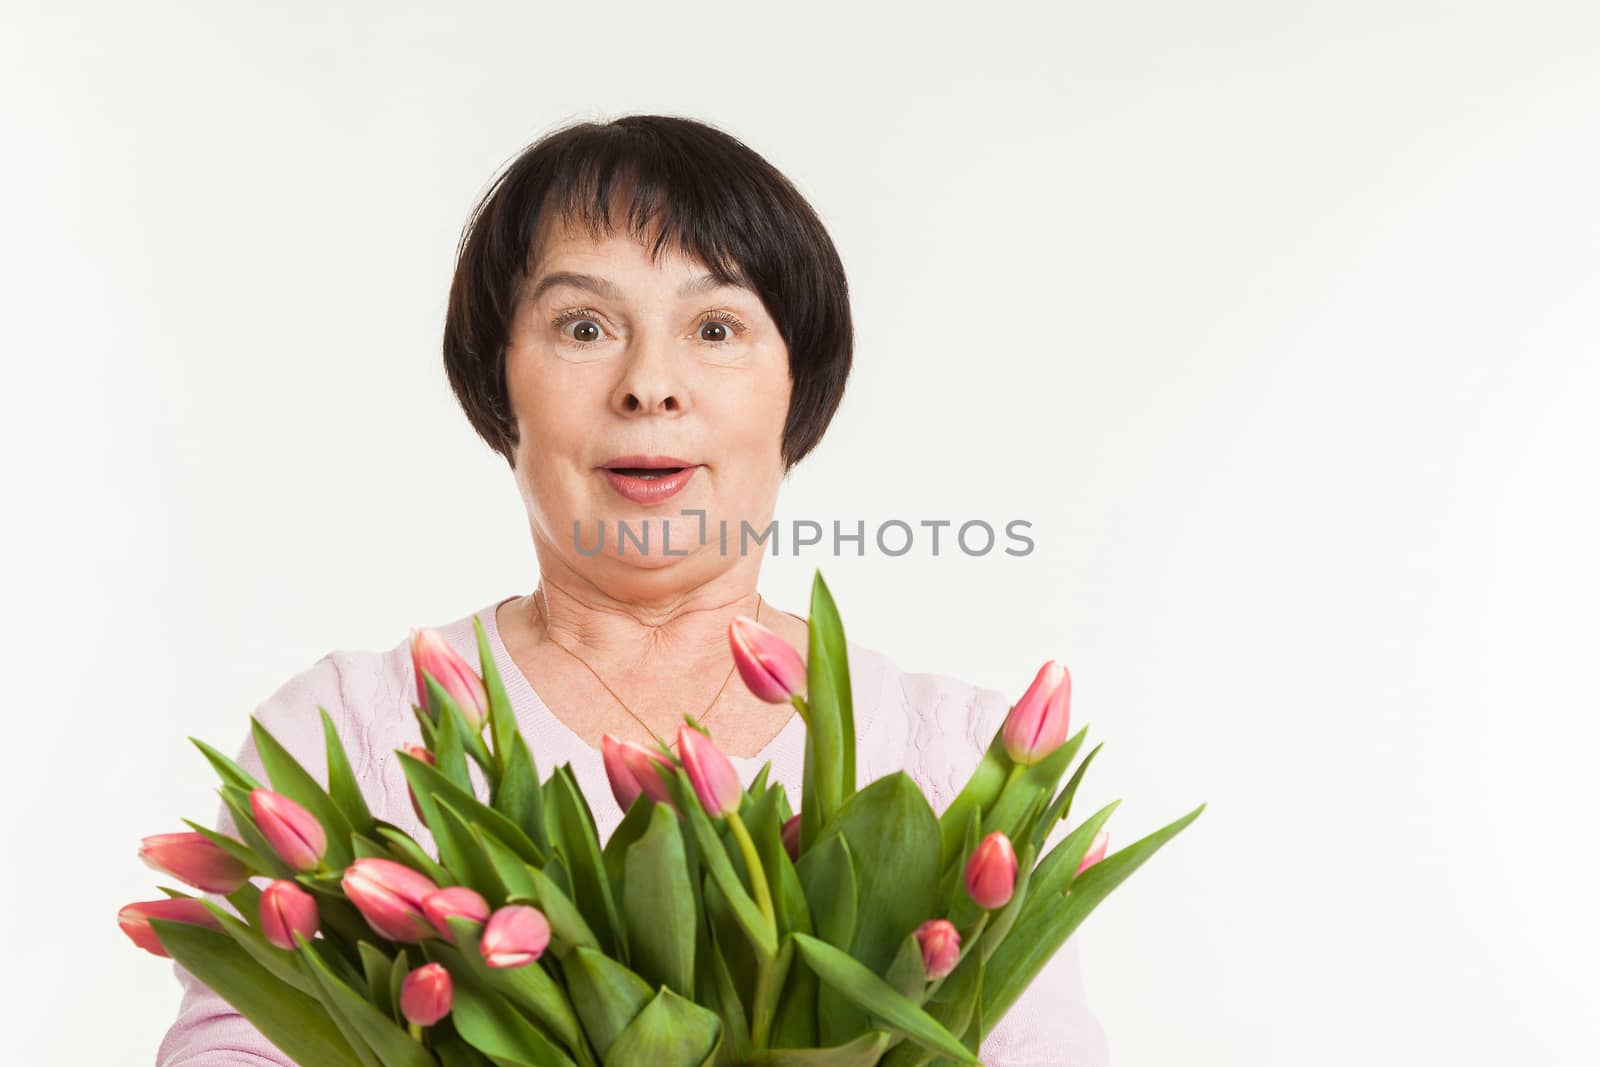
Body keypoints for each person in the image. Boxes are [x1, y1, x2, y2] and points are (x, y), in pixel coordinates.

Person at [154, 114, 1109, 1066]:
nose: (650, 383)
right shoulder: (348, 730)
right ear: (498, 384)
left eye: (716, 327)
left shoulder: (960, 760)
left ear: (797, 384)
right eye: (583, 326)